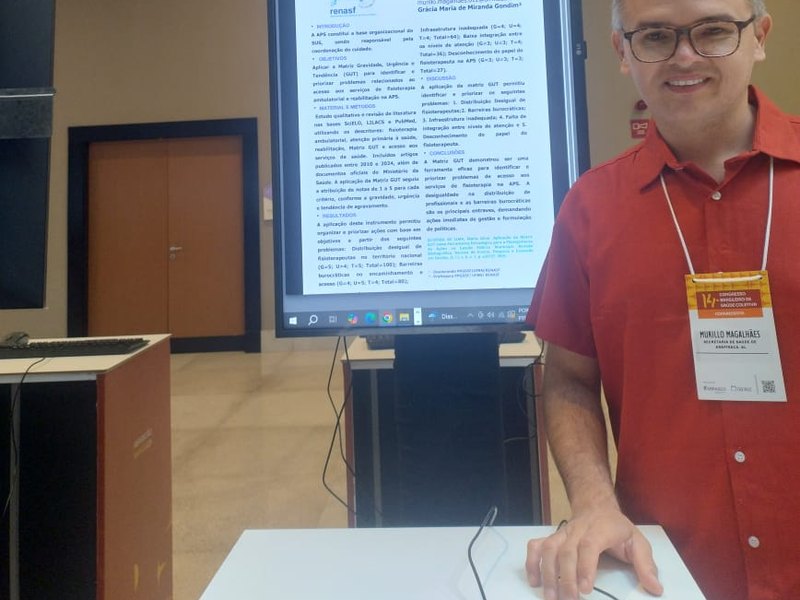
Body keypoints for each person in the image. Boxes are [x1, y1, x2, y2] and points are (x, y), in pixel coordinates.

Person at [524, 0, 800, 598]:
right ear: (623, 52)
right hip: (665, 572)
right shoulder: (591, 209)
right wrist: (594, 503)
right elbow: (569, 379)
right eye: (654, 36)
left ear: (760, 37)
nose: (685, 56)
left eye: (714, 31)